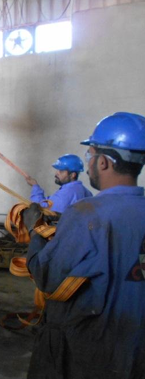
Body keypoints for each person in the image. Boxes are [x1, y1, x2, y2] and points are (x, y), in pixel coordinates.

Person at [23, 112, 145, 379]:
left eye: (90, 154)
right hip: (135, 347)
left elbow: (46, 276)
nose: (88, 162)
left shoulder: (86, 214)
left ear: (103, 162)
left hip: (88, 348)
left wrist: (34, 230)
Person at [25, 154, 93, 213]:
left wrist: (35, 186)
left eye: (61, 171)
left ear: (73, 175)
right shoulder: (85, 191)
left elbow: (42, 209)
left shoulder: (68, 191)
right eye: (57, 170)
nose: (56, 173)